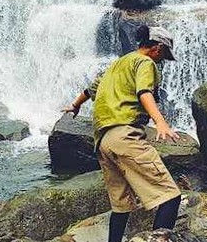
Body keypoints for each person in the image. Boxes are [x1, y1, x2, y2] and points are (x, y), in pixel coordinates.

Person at [63, 24, 181, 242]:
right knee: (170, 196)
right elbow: (144, 91)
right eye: (163, 54)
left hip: (103, 142)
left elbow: (90, 90)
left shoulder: (117, 64)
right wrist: (161, 122)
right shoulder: (145, 62)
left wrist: (75, 105)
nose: (162, 60)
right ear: (157, 47)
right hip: (125, 137)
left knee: (121, 206)